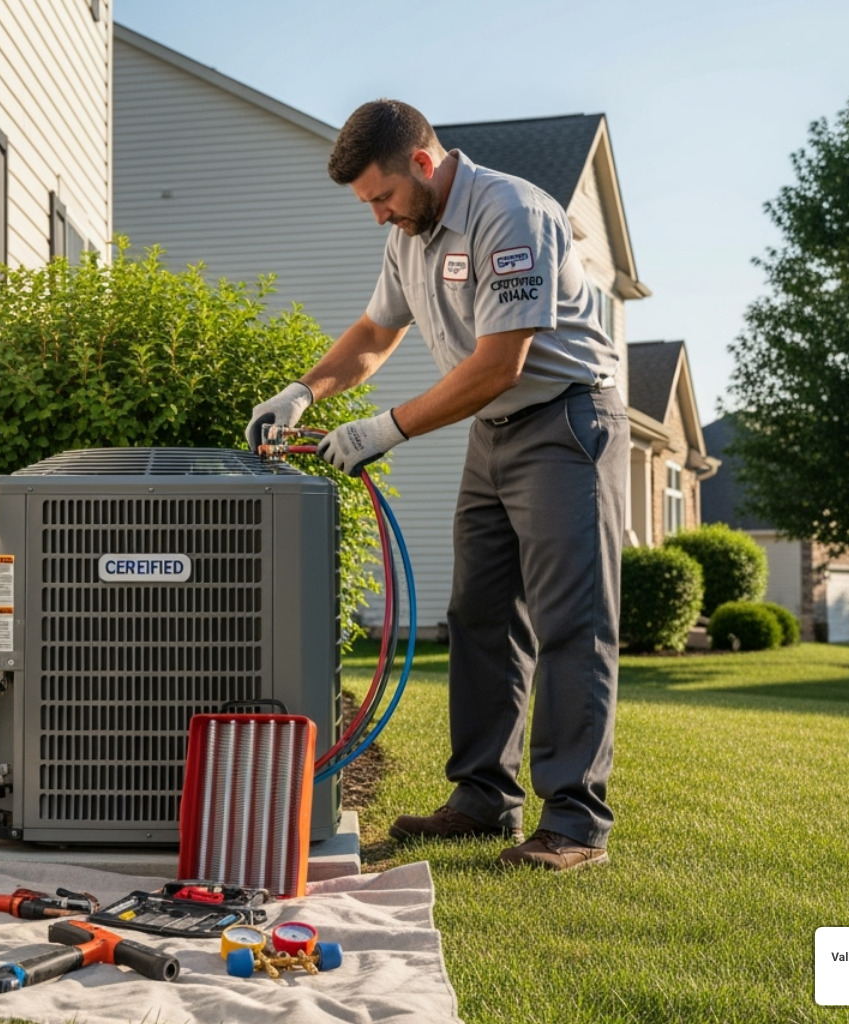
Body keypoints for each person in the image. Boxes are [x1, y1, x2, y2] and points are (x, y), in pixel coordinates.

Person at [246, 99, 627, 871]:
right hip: (496, 433)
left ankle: (575, 825)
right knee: (480, 615)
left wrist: (384, 430)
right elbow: (374, 334)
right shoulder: (410, 237)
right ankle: (484, 799)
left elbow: (500, 363)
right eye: (368, 205)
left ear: (423, 164)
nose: (379, 215)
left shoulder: (509, 213)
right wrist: (303, 392)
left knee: (569, 621)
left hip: (566, 421)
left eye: (381, 197)